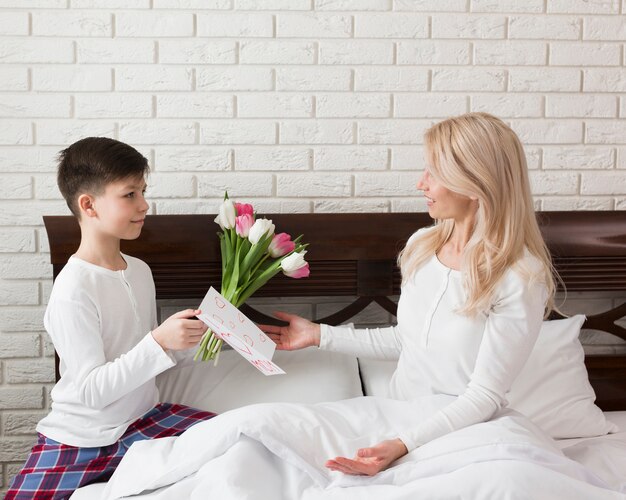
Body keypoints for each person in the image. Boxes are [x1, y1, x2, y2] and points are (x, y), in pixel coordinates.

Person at [261, 112, 557, 477]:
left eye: (434, 173)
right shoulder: (422, 246)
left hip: (465, 431)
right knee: (264, 437)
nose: (421, 183)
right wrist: (318, 335)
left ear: (474, 183)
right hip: (397, 415)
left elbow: (484, 397)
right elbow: (410, 341)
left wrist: (403, 444)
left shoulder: (519, 276)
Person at [6, 137, 215, 499]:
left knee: (239, 436)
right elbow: (91, 392)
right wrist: (159, 341)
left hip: (144, 424)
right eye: (130, 194)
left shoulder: (140, 271)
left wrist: (194, 339)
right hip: (79, 439)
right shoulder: (73, 290)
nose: (145, 204)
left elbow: (145, 360)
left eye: (143, 191)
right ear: (89, 205)